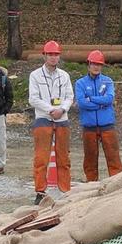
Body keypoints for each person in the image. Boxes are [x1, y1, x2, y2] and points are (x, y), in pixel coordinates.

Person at [29, 39, 73, 204]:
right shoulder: (35, 75)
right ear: (44, 56)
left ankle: (65, 190)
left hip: (62, 118)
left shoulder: (64, 76)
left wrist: (62, 109)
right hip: (43, 118)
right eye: (50, 54)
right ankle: (40, 191)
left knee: (64, 157)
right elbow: (33, 98)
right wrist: (50, 110)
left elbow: (69, 96)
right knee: (41, 157)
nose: (53, 57)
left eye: (56, 54)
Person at [75, 50, 122, 181]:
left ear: (102, 66)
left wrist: (90, 98)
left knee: (113, 158)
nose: (96, 67)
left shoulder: (108, 81)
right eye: (94, 64)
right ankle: (91, 184)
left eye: (99, 64)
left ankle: (116, 183)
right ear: (88, 64)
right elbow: (82, 103)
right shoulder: (80, 83)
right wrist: (100, 103)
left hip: (107, 125)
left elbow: (109, 99)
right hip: (89, 127)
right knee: (90, 159)